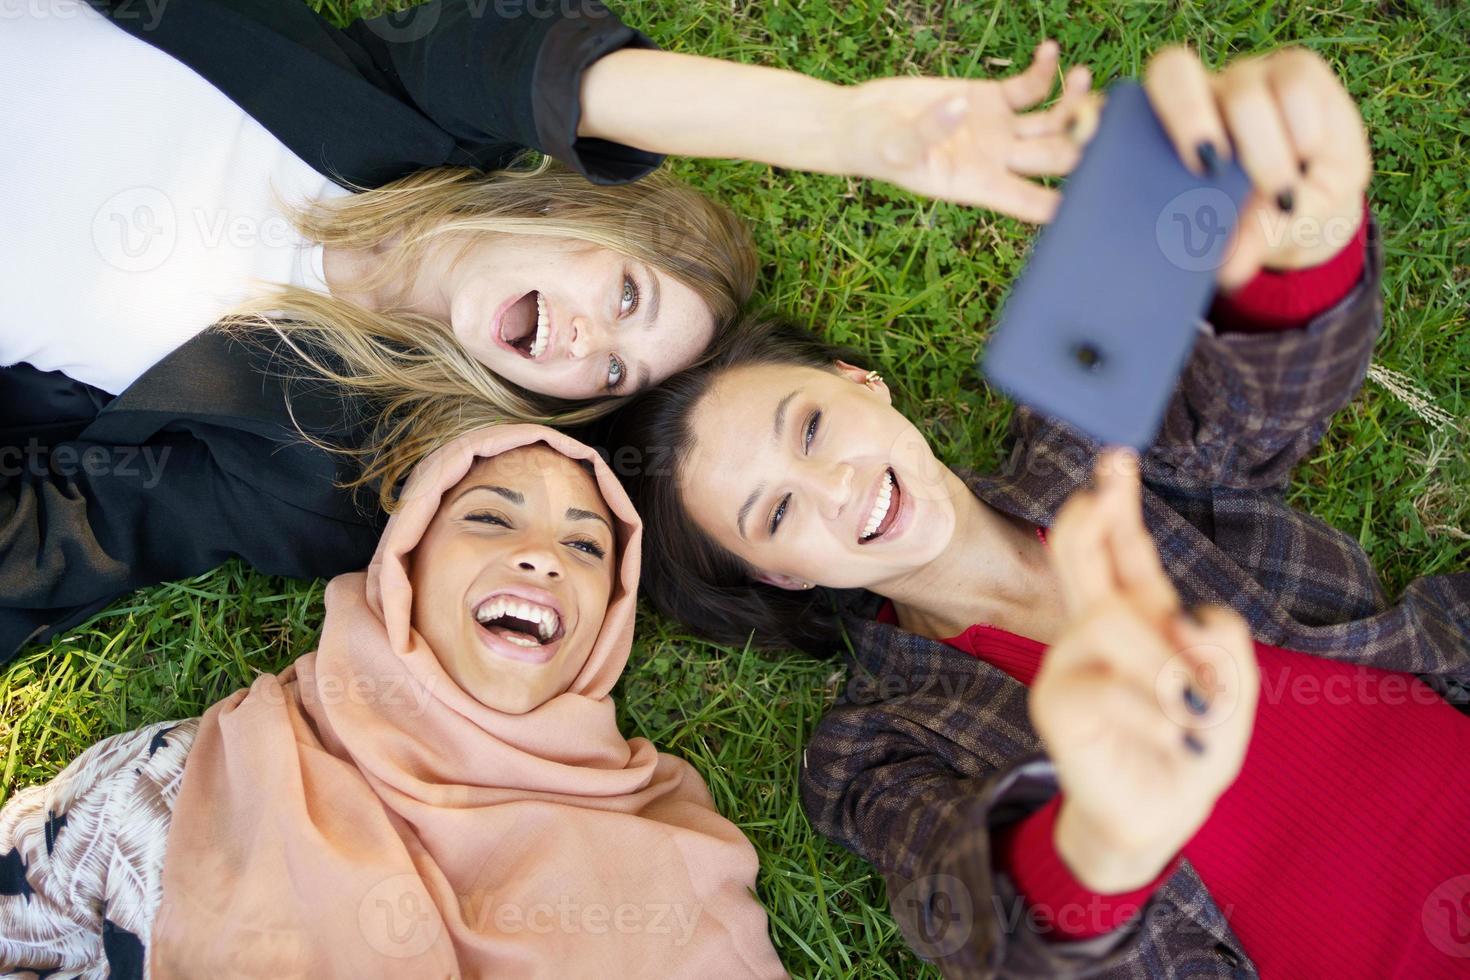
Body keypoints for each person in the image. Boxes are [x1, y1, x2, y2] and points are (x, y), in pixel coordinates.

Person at [606, 44, 1470, 976]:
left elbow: (1246, 414)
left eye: (812, 427)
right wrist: (1103, 839)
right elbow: (970, 910)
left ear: (863, 383)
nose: (835, 487)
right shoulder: (874, 745)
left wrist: (1308, 237)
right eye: (775, 515)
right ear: (783, 574)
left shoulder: (1081, 437)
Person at [0, 0, 1091, 663]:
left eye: (612, 369)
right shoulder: (401, 108)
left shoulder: (317, 467)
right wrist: (847, 126)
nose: (584, 342)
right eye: (625, 294)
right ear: (575, 213)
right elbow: (565, 75)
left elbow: (68, 532)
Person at [0, 424, 788, 979]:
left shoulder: (674, 848)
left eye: (585, 546)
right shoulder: (173, 783)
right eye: (487, 517)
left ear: (610, 619)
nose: (542, 558)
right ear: (403, 566)